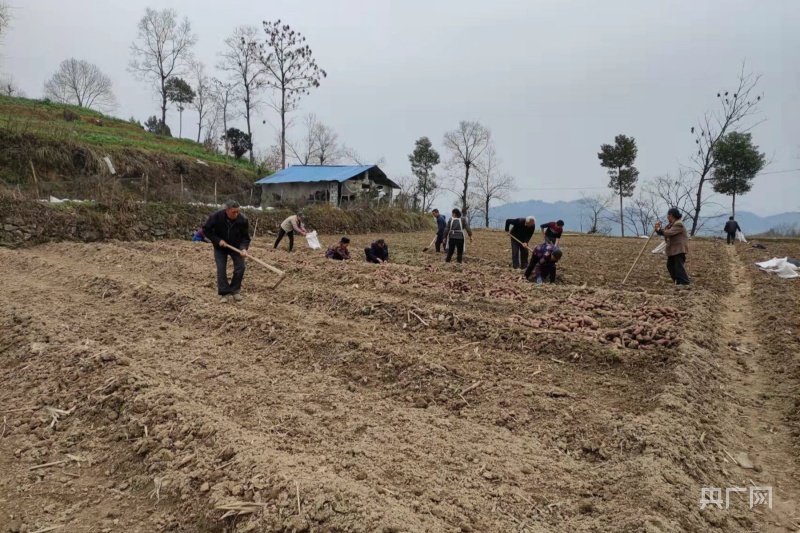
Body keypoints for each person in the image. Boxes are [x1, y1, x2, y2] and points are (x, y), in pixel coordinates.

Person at [202, 199, 251, 303]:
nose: (236, 214)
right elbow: (206, 230)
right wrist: (217, 240)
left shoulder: (242, 219)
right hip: (220, 247)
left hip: (236, 247)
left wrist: (243, 248)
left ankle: (235, 290)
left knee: (240, 267)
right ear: (227, 210)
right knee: (221, 268)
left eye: (238, 211)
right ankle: (224, 293)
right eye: (234, 212)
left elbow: (245, 237)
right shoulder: (216, 217)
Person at [654, 207, 691, 288]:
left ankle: (685, 282)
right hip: (673, 249)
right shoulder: (672, 224)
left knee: (678, 266)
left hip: (679, 249)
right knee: (670, 265)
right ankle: (677, 282)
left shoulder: (679, 224)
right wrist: (658, 229)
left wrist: (659, 230)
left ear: (672, 215)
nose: (667, 216)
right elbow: (664, 232)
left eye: (668, 215)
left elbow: (668, 233)